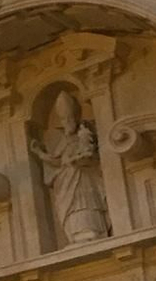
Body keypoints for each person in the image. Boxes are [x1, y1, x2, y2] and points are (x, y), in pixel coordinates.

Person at [30, 91, 110, 244]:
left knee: (86, 203)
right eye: (63, 119)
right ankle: (75, 234)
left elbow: (90, 153)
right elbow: (56, 160)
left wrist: (80, 159)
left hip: (84, 178)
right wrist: (39, 153)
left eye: (69, 118)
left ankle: (92, 230)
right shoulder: (64, 141)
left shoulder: (83, 133)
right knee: (71, 208)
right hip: (66, 181)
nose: (67, 121)